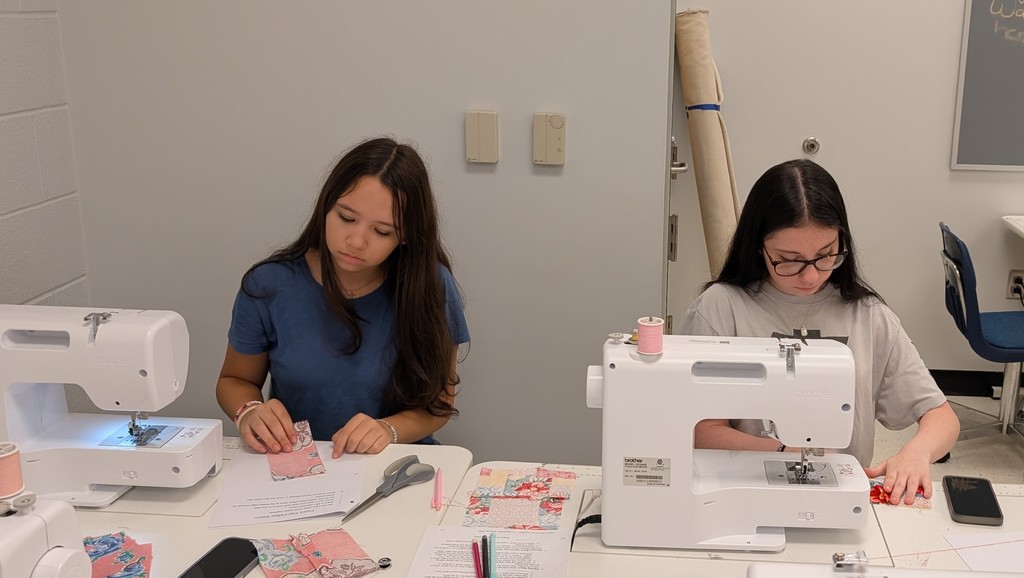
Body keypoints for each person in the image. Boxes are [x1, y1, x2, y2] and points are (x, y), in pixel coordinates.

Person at [680, 158, 959, 505]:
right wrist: (783, 451)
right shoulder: (719, 309)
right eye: (789, 258)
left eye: (826, 255)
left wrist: (917, 452)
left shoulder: (868, 316)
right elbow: (699, 430)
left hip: (837, 500)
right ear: (757, 246)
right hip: (737, 494)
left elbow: (941, 417)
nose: (811, 276)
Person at [216, 136, 469, 459]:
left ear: (405, 237)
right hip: (299, 464)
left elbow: (439, 405)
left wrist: (387, 430)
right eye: (346, 217)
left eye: (382, 231)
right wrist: (249, 411)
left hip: (395, 465)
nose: (356, 240)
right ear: (326, 206)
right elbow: (234, 379)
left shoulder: (431, 287)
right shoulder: (269, 285)